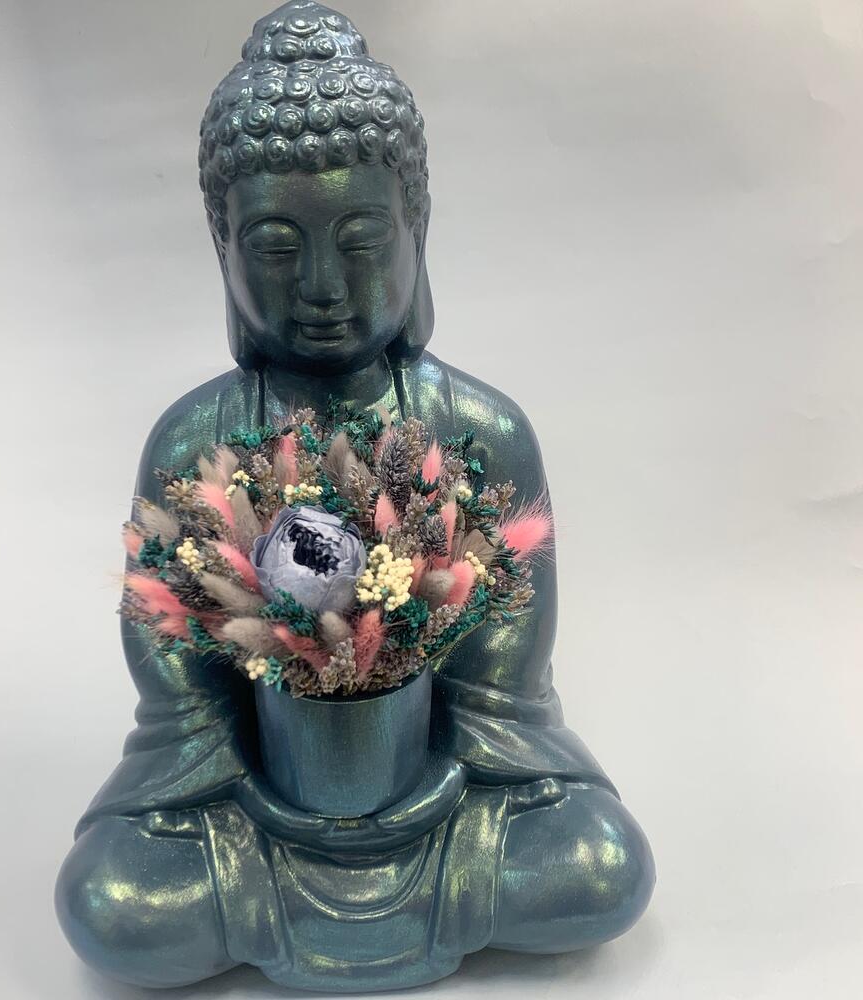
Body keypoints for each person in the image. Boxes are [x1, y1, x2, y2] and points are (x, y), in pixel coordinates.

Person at [55, 3, 655, 991]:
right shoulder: (192, 439)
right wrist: (272, 781)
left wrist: (422, 777)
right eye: (277, 246)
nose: (323, 284)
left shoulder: (482, 429)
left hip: (447, 787)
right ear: (222, 247)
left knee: (597, 867)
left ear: (417, 228)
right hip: (254, 795)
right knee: (113, 902)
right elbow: (177, 688)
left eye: (362, 238)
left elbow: (504, 686)